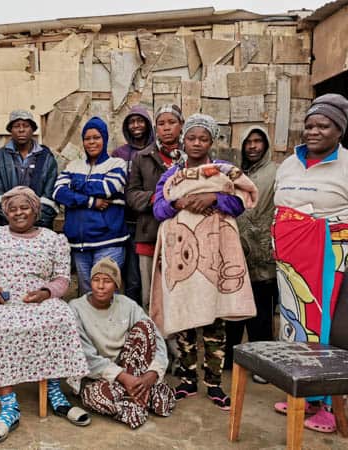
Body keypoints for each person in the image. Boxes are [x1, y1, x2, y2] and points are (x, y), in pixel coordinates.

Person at [271, 94, 348, 433]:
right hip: (294, 264)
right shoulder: (289, 165)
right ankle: (304, 394)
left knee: (330, 332)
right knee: (297, 326)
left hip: (333, 263)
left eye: (323, 126)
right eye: (309, 125)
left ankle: (328, 405)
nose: (314, 132)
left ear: (339, 130)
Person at [0, 186, 90, 444]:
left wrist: (46, 292)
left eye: (24, 208)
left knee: (63, 318)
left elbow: (62, 278)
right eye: (12, 209)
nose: (18, 213)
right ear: (5, 213)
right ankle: (9, 406)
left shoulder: (52, 239)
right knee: (1, 327)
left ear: (35, 211)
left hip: (38, 297)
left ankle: (56, 394)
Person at [152, 113, 258, 411]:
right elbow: (158, 208)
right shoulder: (171, 174)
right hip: (180, 259)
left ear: (212, 141)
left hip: (213, 257)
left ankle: (214, 383)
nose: (197, 143)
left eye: (203, 138)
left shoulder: (224, 172)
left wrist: (213, 197)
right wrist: (178, 203)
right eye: (192, 138)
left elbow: (240, 202)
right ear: (183, 140)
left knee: (215, 321)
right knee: (184, 319)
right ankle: (187, 379)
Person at [70, 257, 176, 429]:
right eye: (96, 280)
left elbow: (155, 338)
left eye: (107, 281)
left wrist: (152, 374)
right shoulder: (75, 308)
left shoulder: (127, 305)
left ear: (116, 286)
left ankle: (137, 392)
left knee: (146, 327)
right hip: (97, 377)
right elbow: (85, 356)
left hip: (130, 370)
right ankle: (141, 395)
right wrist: (123, 378)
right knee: (95, 397)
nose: (101, 286)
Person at [224, 126, 277, 384]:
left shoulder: (274, 173)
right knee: (234, 310)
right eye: (249, 142)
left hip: (263, 252)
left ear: (265, 146)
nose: (253, 146)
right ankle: (230, 361)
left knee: (261, 313)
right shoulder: (237, 174)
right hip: (237, 251)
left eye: (258, 142)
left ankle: (262, 365)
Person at [54, 117, 129, 295]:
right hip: (80, 245)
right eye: (87, 138)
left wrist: (75, 184)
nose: (92, 142)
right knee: (88, 295)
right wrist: (91, 201)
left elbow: (107, 188)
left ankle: (113, 325)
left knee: (106, 293)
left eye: (96, 137)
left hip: (108, 242)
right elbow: (58, 192)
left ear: (104, 138)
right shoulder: (73, 165)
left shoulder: (116, 164)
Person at [126, 104, 184, 309]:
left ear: (181, 125)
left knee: (180, 294)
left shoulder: (192, 155)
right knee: (150, 298)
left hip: (185, 236)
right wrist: (158, 199)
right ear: (155, 128)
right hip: (150, 233)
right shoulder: (142, 157)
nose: (167, 128)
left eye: (172, 122)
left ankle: (182, 341)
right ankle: (156, 340)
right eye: (161, 123)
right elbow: (131, 195)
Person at [112, 106, 155, 305]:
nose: (136, 125)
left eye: (140, 121)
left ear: (147, 124)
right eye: (132, 122)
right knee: (132, 277)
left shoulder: (156, 151)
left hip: (152, 220)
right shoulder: (119, 153)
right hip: (127, 223)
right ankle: (134, 322)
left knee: (153, 276)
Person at [0, 110, 59, 229]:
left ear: (33, 129)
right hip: (7, 229)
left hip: (39, 229)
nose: (21, 130)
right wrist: (16, 223)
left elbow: (49, 198)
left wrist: (31, 224)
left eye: (26, 126)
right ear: (10, 130)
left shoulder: (46, 158)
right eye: (16, 126)